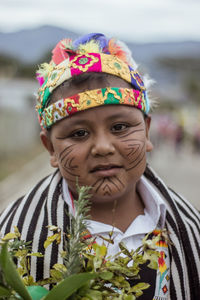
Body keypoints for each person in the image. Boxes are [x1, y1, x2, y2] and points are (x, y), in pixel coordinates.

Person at [0, 33, 199, 299]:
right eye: (79, 134)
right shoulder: (11, 237)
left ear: (147, 132)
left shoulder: (190, 229)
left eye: (120, 127)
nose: (103, 147)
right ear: (50, 148)